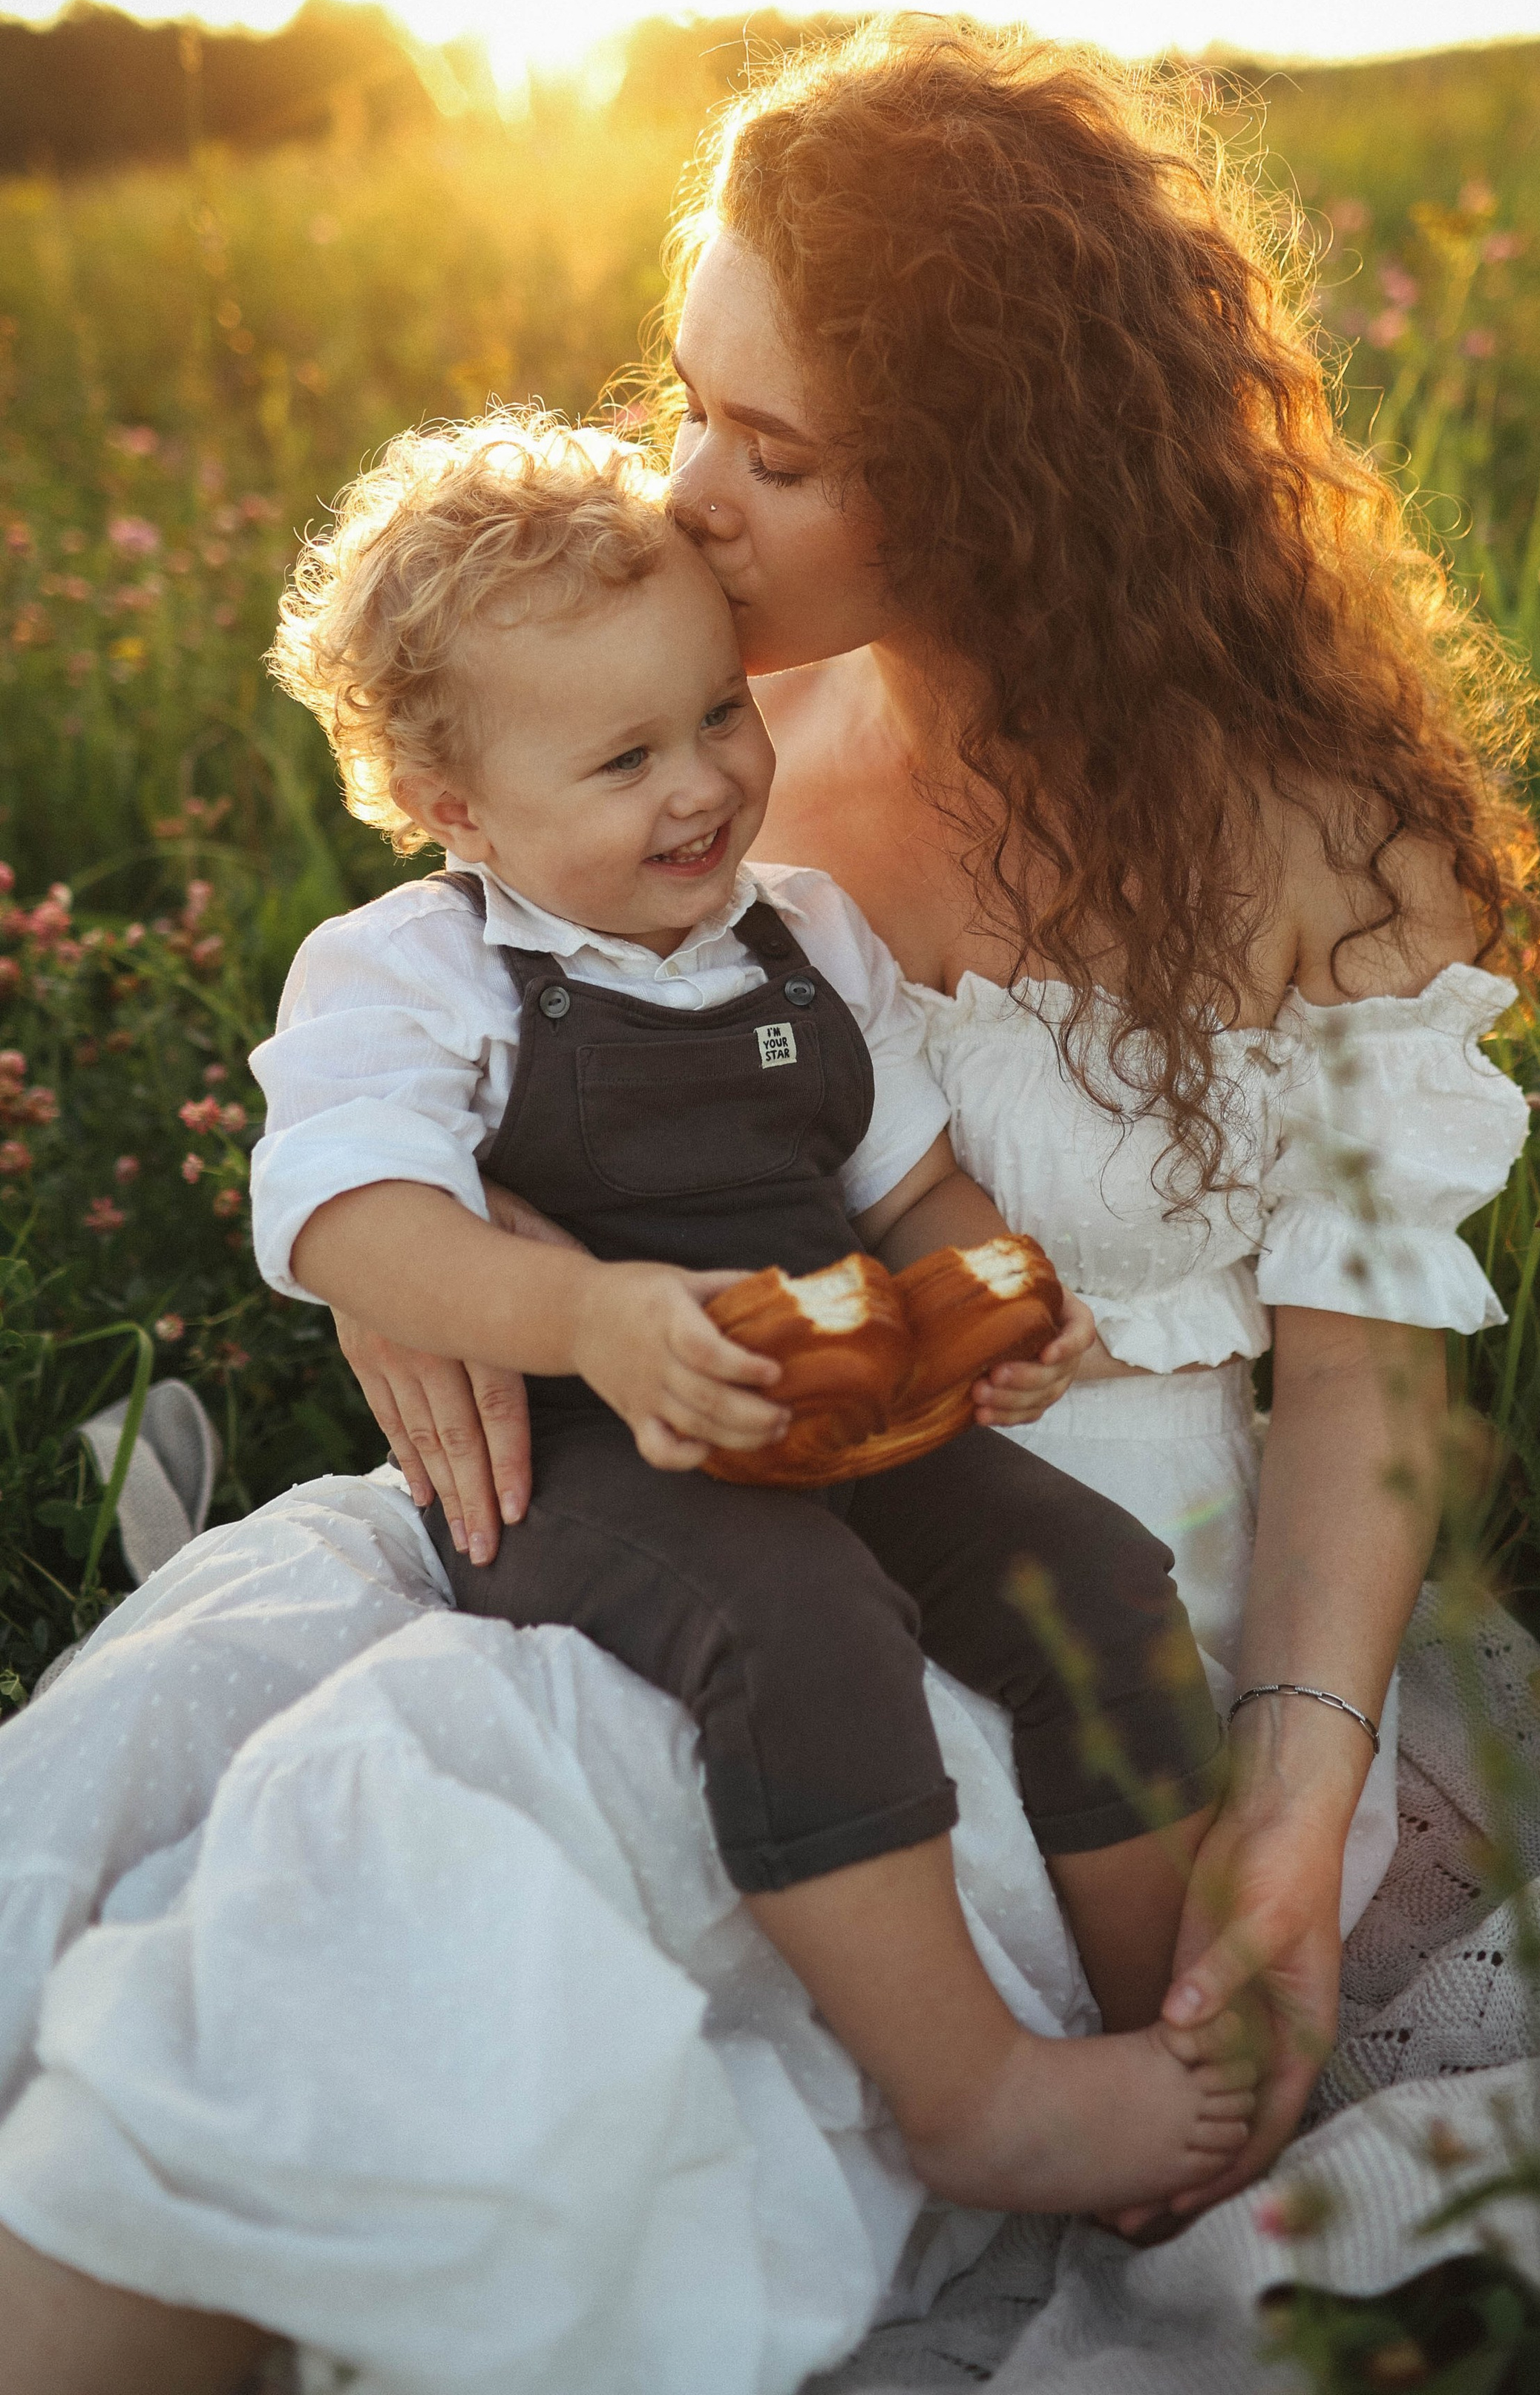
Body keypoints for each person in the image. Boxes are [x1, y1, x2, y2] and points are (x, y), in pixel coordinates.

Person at [0, 19, 1535, 2395]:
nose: (687, 493)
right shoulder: (728, 721)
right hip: (655, 1437)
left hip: (1050, 1551)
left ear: (1001, 480)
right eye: (689, 400)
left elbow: (1363, 1389)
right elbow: (490, 1014)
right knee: (222, 1754)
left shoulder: (1330, 847)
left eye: (775, 449)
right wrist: (433, 1283)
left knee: (429, 1859)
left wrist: (1298, 1794)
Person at [254, 410, 1248, 2214]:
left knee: (1090, 1574)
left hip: (843, 1395)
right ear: (451, 801)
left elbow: (905, 1184)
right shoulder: (420, 968)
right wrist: (586, 1315)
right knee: (804, 1623)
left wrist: (989, 1292)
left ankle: (1163, 2012)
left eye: (719, 712)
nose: (701, 781)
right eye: (622, 756)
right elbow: (351, 1215)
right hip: (590, 1452)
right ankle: (972, 2093)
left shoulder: (797, 935)